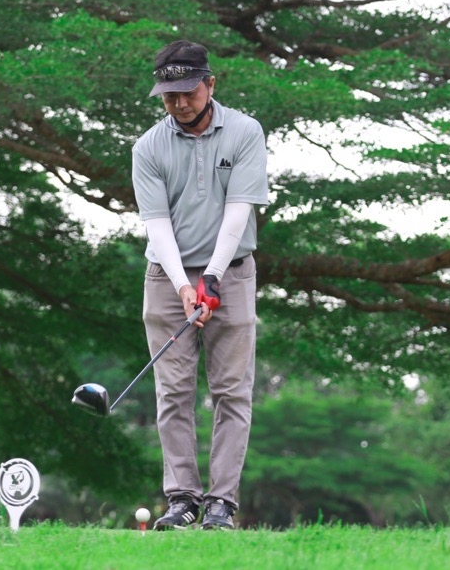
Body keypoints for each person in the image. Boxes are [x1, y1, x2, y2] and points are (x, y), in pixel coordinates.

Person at [131, 40, 269, 531]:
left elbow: (239, 211)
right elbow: (157, 224)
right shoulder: (148, 147)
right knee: (173, 391)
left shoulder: (246, 132)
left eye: (189, 92)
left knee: (232, 391)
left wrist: (211, 276)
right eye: (169, 96)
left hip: (232, 273)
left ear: (210, 84)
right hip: (166, 278)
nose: (180, 103)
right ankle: (182, 499)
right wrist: (184, 285)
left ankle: (221, 503)